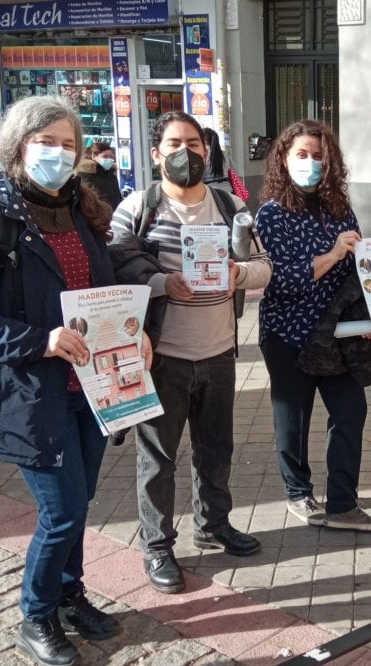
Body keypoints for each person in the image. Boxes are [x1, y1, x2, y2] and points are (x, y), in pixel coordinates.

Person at [0, 96, 139, 666]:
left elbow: (103, 292)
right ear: (17, 147)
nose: (59, 153)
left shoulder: (81, 208)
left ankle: (69, 597)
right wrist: (38, 341)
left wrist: (135, 332)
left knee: (81, 501)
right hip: (31, 392)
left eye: (69, 143)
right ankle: (36, 614)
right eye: (46, 142)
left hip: (93, 389)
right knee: (65, 510)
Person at [109, 111, 273, 594]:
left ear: (208, 149)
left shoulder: (230, 204)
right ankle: (157, 546)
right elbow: (116, 269)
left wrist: (239, 274)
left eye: (196, 143)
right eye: (176, 143)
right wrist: (163, 283)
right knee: (158, 457)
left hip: (220, 351)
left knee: (216, 448)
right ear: (156, 153)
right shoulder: (137, 208)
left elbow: (264, 266)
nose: (187, 153)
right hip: (163, 357)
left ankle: (213, 524)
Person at [256, 119, 371, 532]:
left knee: (351, 411)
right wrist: (332, 254)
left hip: (337, 335)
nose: (311, 163)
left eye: (318, 156)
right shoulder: (271, 216)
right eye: (302, 154)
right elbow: (280, 279)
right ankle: (298, 492)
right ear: (284, 158)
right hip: (288, 334)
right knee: (293, 420)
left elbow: (360, 273)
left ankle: (343, 504)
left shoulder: (340, 211)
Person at [76, 140, 122, 209]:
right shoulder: (85, 176)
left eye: (111, 157)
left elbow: (117, 197)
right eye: (105, 156)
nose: (109, 159)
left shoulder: (111, 174)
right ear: (93, 156)